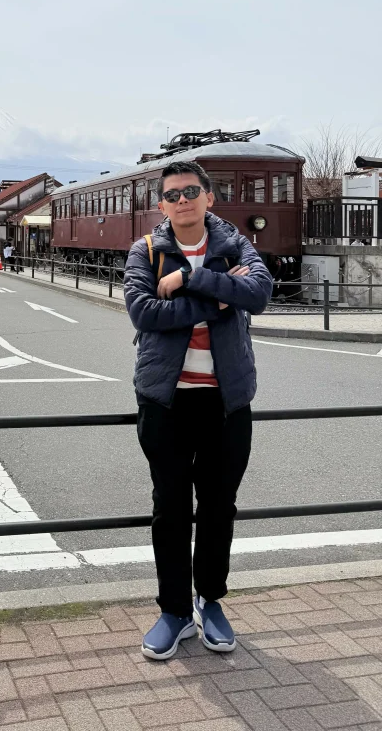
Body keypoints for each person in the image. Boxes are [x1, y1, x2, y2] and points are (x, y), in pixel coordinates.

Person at [123, 160, 272, 661]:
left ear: (209, 198)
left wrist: (191, 278)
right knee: (170, 507)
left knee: (217, 506)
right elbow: (144, 312)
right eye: (173, 194)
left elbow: (259, 293)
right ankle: (174, 611)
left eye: (192, 191)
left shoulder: (236, 246)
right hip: (166, 399)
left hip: (227, 401)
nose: (183, 199)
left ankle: (210, 601)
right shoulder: (144, 251)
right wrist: (216, 296)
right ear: (162, 206)